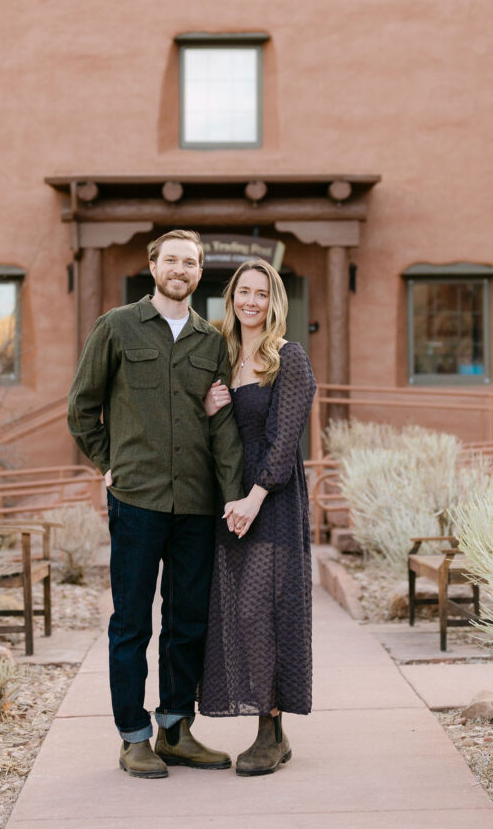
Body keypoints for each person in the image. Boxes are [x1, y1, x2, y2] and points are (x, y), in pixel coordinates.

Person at [67, 230, 244, 779]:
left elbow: (222, 428)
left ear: (198, 272)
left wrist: (233, 493)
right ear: (153, 265)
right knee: (131, 624)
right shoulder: (116, 327)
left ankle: (175, 728)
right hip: (137, 501)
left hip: (195, 503)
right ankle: (133, 736)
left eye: (190, 262)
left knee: (188, 621)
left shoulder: (211, 341)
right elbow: (81, 408)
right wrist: (108, 464)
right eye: (172, 260)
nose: (181, 269)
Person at [199, 259, 316, 776]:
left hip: (272, 502)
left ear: (274, 302)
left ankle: (270, 729)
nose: (251, 301)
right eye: (244, 292)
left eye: (261, 294)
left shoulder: (289, 359)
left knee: (260, 612)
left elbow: (286, 440)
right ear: (231, 298)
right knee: (234, 616)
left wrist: (255, 497)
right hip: (229, 502)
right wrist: (207, 408)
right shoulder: (221, 357)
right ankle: (274, 729)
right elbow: (215, 437)